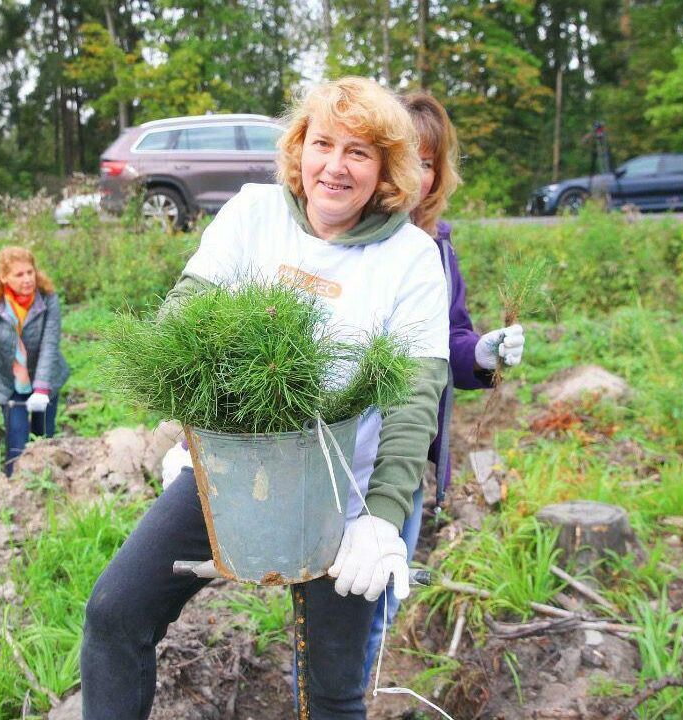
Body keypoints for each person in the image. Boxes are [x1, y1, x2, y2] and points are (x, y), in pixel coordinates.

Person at [81, 77, 449, 720]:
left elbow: (415, 396)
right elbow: (187, 313)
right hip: (228, 471)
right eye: (323, 144)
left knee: (331, 691)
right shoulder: (252, 214)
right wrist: (189, 431)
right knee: (114, 614)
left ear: (387, 169)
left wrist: (385, 517)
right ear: (298, 149)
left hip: (344, 495)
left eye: (359, 152)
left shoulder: (411, 257)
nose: (335, 166)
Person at [358, 91, 525, 680]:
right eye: (404, 155)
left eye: (428, 162)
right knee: (335, 605)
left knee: (384, 593)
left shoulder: (439, 248)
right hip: (342, 453)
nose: (416, 174)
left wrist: (479, 354)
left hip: (406, 459)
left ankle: (358, 692)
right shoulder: (348, 240)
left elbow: (448, 341)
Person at [0, 246, 69, 476]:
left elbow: (49, 344)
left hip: (45, 376)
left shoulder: (47, 298)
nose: (27, 279)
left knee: (43, 439)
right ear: (4, 277)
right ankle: (15, 488)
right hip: (7, 379)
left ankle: (46, 488)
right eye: (19, 274)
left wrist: (42, 389)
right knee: (17, 443)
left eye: (30, 272)